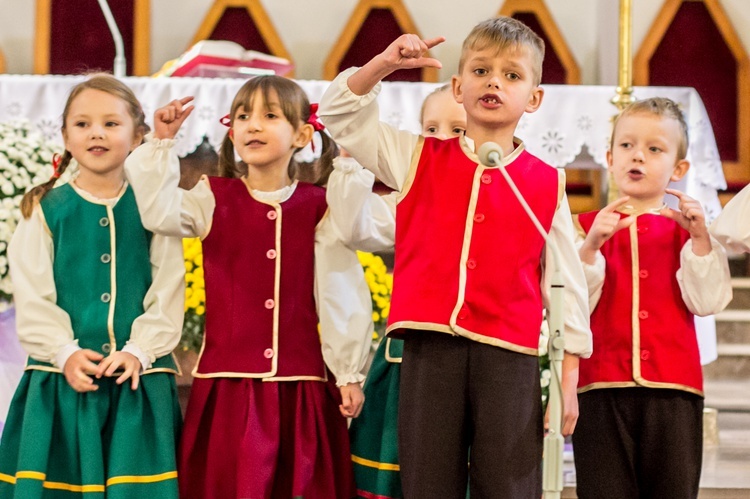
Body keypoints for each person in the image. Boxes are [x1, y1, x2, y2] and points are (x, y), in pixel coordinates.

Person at [320, 16, 592, 498]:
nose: (494, 82)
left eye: (512, 75)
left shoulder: (546, 182)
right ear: (458, 87)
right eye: (482, 70)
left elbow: (566, 285)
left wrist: (567, 380)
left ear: (533, 98)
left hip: (510, 356)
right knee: (428, 481)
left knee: (508, 484)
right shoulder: (415, 156)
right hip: (430, 351)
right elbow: (340, 115)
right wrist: (382, 65)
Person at [124, 75, 373, 499]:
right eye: (243, 116)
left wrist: (348, 371)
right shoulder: (211, 197)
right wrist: (162, 143)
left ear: (302, 134)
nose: (252, 126)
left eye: (269, 116)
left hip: (302, 388)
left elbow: (340, 287)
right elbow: (158, 211)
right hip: (228, 389)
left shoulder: (320, 204)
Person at [0, 74, 184, 498]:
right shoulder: (45, 208)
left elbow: (168, 287)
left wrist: (140, 350)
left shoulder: (153, 207)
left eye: (111, 123)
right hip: (62, 381)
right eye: (82, 124)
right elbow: (32, 293)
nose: (96, 132)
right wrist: (63, 352)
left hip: (138, 380)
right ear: (64, 135)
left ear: (138, 134)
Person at [572, 97, 732, 499]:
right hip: (600, 387)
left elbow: (707, 301)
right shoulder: (584, 228)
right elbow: (571, 303)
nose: (637, 155)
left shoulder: (690, 233)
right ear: (609, 157)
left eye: (654, 148)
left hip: (673, 389)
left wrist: (699, 240)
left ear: (678, 169)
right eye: (626, 146)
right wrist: (591, 248)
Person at [327, 83, 466, 499]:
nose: (442, 141)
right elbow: (354, 228)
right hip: (409, 361)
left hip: (474, 363)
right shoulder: (406, 200)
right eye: (431, 129)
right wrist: (352, 164)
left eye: (457, 130)